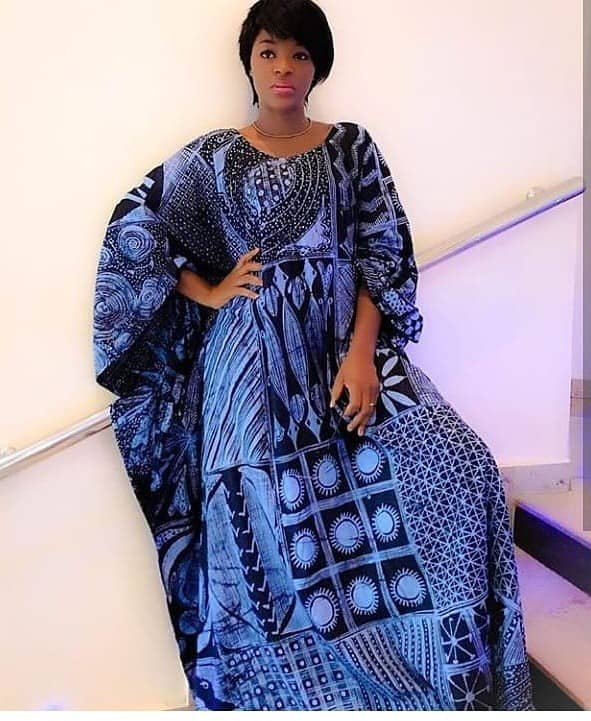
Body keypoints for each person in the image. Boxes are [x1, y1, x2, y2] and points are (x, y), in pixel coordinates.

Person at [92, 0, 534, 711]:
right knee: (256, 529)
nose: (284, 68)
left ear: (317, 66)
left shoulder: (351, 148)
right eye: (269, 51)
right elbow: (136, 230)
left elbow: (381, 254)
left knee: (459, 461)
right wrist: (209, 291)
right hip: (246, 373)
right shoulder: (212, 159)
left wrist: (362, 355)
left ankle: (438, 677)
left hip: (337, 350)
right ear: (248, 61)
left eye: (299, 54)